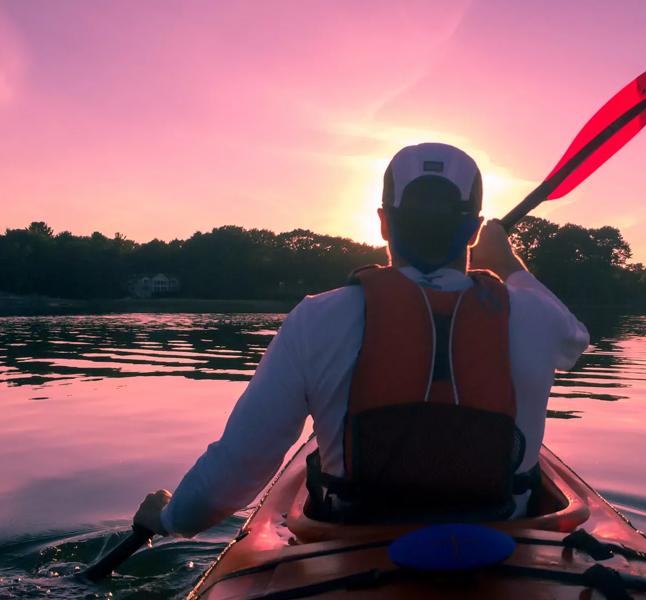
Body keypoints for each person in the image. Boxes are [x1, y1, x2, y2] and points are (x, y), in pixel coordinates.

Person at [134, 143, 589, 536]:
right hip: (506, 546)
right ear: (473, 228)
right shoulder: (536, 317)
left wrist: (170, 518)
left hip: (354, 545)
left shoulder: (317, 318)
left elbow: (234, 472)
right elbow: (576, 339)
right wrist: (507, 261)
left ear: (383, 223)